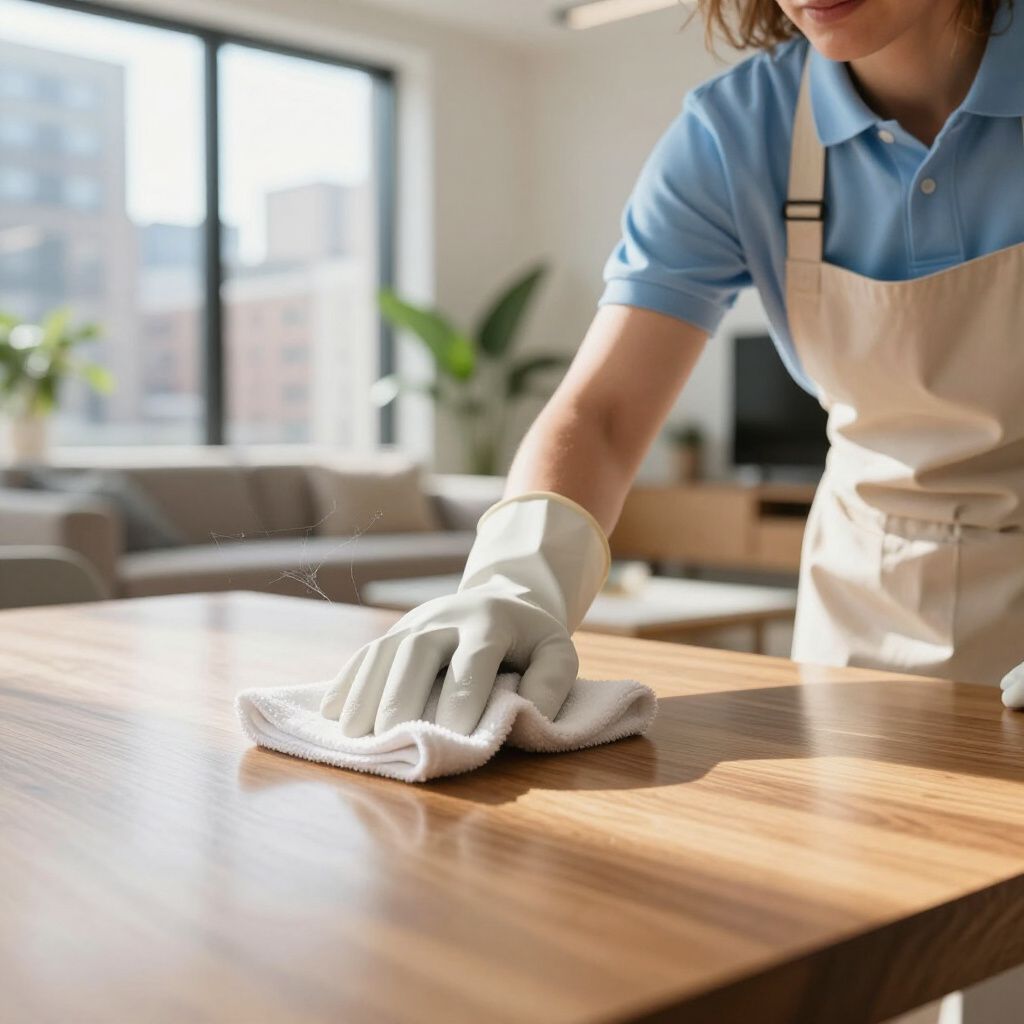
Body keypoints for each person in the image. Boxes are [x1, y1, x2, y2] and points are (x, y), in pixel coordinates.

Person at [322, 1, 1023, 1015]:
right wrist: (517, 579)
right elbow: (603, 412)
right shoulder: (738, 131)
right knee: (879, 958)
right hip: (867, 607)